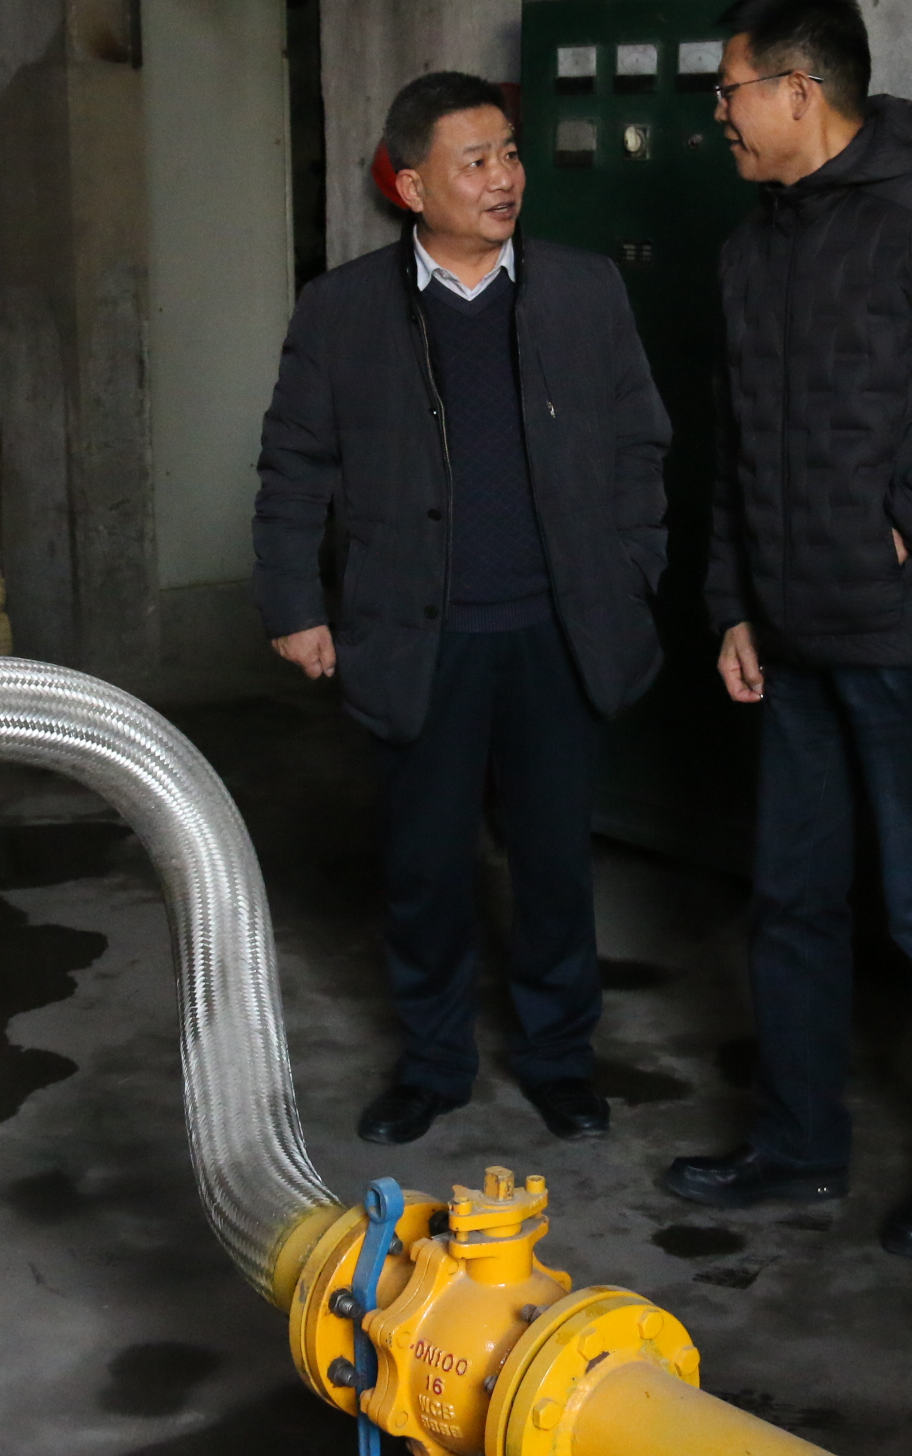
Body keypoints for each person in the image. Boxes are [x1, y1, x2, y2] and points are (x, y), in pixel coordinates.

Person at [662, 0, 912, 1260]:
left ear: (798, 89)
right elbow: (736, 446)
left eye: (729, 90)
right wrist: (731, 602)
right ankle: (797, 1146)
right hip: (788, 639)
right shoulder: (749, 248)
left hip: (906, 642)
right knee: (790, 904)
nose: (718, 114)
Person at [252, 71, 670, 1147]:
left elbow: (640, 442)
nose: (503, 179)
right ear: (411, 187)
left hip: (554, 629)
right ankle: (434, 1065)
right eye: (474, 162)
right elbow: (295, 466)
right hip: (418, 636)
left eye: (509, 155)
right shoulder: (343, 310)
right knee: (426, 866)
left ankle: (561, 1060)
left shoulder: (583, 290)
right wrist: (296, 601)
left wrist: (630, 569)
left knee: (553, 863)